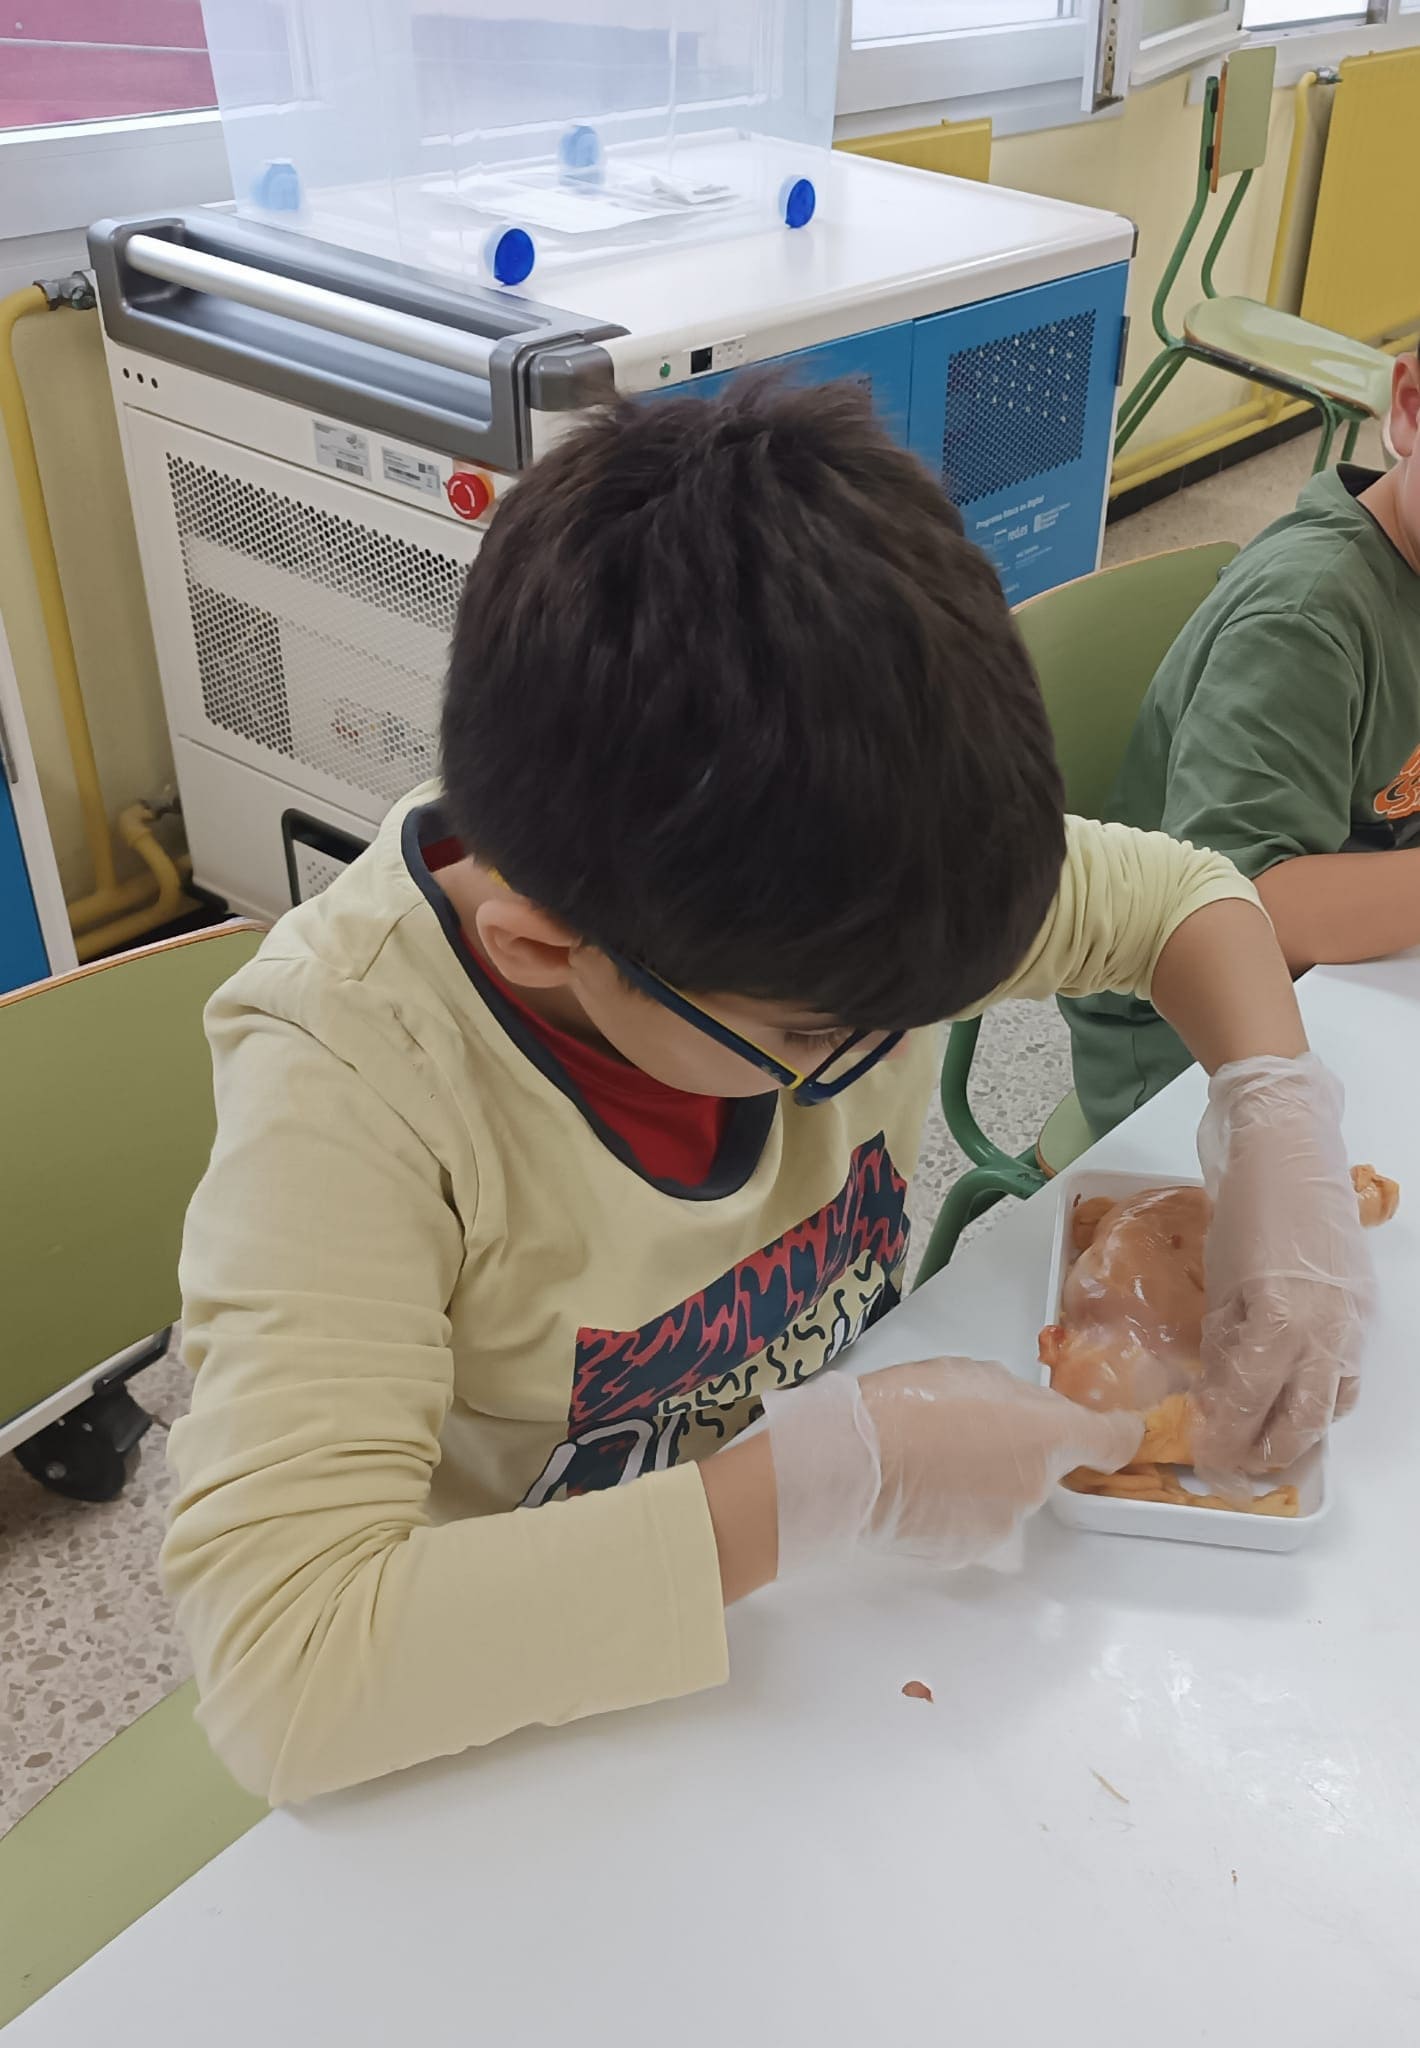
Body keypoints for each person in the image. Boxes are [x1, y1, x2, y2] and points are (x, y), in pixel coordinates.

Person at [168, 382, 1369, 1803]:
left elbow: (1185, 898)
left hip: (816, 1642)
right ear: (546, 948)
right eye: (827, 1037)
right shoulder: (358, 1079)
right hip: (527, 1696)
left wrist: (1274, 1114)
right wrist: (820, 1486)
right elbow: (288, 1672)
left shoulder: (848, 880)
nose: (886, 1050)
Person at [1065, 347, 1420, 1138]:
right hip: (1184, 1033)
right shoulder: (1305, 616)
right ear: (1409, 410)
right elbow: (1247, 905)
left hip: (1352, 963)